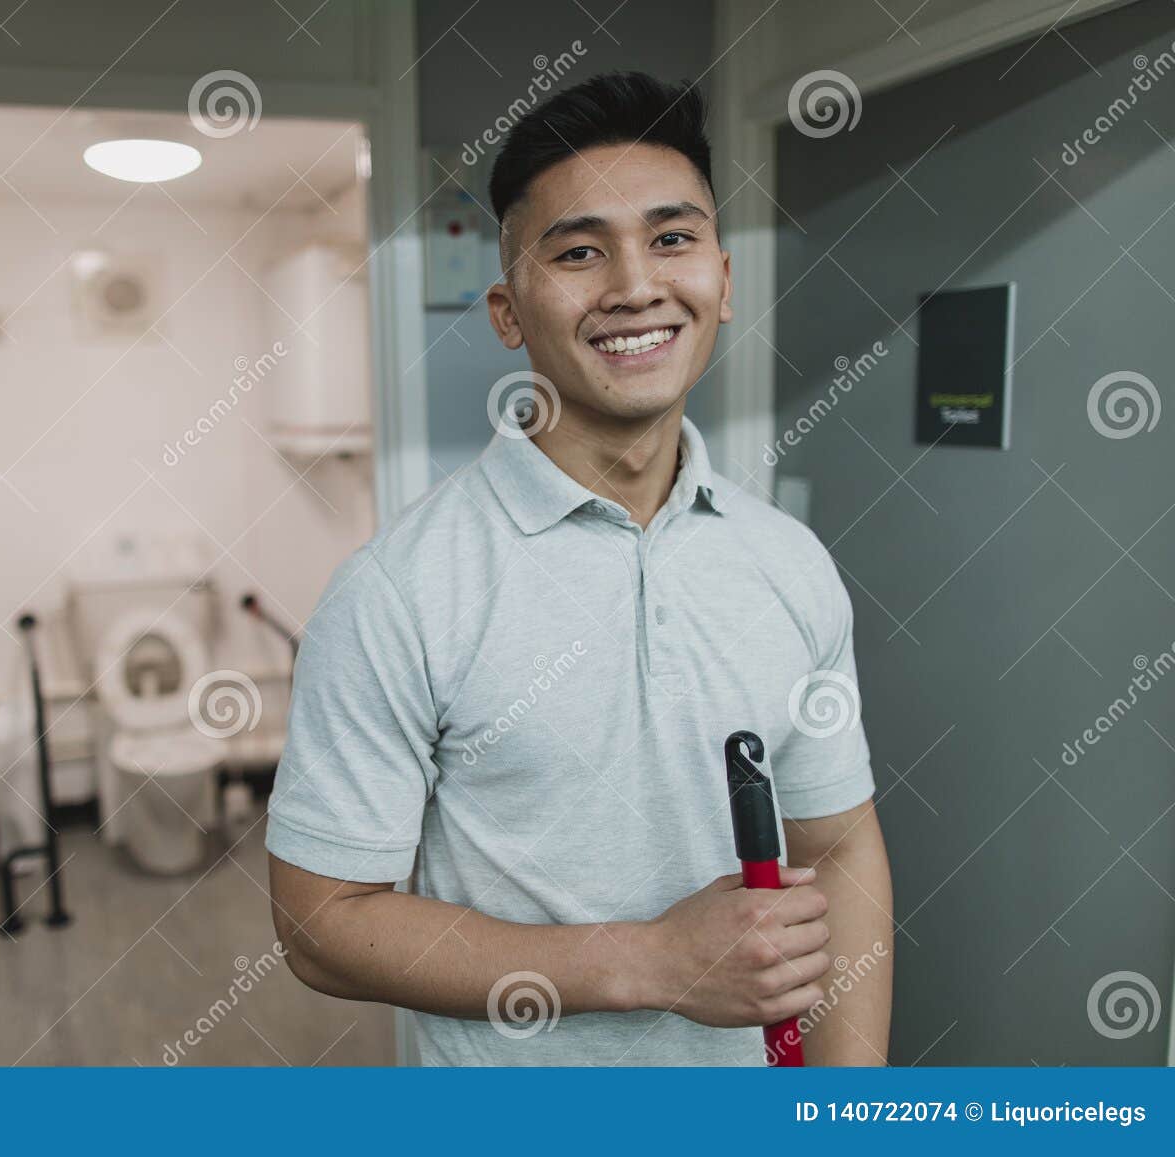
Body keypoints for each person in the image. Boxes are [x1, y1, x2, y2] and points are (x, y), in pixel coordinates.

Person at [265, 71, 893, 1065]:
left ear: (723, 280)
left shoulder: (789, 563)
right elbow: (320, 921)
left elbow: (838, 843)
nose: (635, 285)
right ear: (508, 311)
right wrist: (648, 961)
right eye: (578, 251)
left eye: (672, 238)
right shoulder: (397, 592)